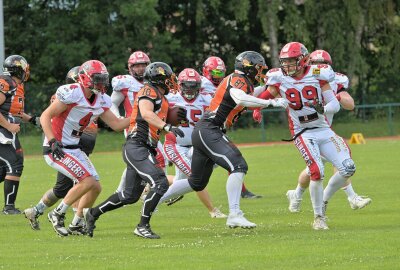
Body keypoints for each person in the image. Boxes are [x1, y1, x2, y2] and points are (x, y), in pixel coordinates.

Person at [157, 51, 287, 229]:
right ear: (247, 68)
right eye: (257, 68)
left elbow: (254, 94)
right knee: (238, 166)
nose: (259, 72)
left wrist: (274, 86)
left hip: (206, 130)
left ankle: (154, 199)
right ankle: (235, 214)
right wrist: (270, 103)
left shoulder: (245, 84)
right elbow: (240, 98)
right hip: (210, 129)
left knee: (196, 181)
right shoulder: (237, 79)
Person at [253, 42, 356, 230]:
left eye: (292, 61)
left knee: (348, 168)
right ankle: (319, 217)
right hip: (302, 130)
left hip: (323, 128)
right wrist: (259, 107)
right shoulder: (279, 77)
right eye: (285, 62)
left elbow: (334, 104)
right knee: (317, 171)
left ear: (303, 60)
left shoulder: (319, 74)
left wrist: (323, 108)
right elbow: (269, 93)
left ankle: (323, 199)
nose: (287, 66)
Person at [84, 62, 185, 239]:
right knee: (160, 182)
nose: (171, 81)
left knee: (129, 195)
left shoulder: (162, 97)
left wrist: (175, 118)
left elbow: (156, 115)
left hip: (145, 147)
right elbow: (146, 113)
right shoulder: (148, 91)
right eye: (169, 78)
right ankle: (142, 226)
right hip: (137, 145)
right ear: (160, 79)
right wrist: (167, 126)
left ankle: (92, 214)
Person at [41, 60, 130, 236]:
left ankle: (77, 222)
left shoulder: (101, 99)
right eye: (97, 79)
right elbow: (46, 116)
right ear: (84, 77)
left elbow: (117, 125)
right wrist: (52, 140)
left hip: (74, 147)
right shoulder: (72, 93)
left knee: (96, 187)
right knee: (87, 181)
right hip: (56, 147)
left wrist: (139, 115)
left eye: (103, 79)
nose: (101, 83)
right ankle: (57, 213)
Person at [282, 50, 371, 213]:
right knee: (320, 168)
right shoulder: (298, 78)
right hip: (307, 131)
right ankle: (350, 198)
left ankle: (297, 194)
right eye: (315, 64)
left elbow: (350, 104)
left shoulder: (334, 79)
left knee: (323, 167)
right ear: (307, 64)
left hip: (325, 129)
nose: (319, 67)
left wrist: (335, 98)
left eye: (323, 64)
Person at [23, 66, 99, 234]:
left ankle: (36, 211)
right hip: (64, 149)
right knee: (77, 184)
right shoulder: (66, 98)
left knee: (64, 187)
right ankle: (70, 218)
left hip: (77, 149)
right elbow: (49, 119)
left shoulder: (94, 99)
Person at [163, 68, 226, 218]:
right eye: (187, 85)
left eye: (193, 86)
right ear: (180, 85)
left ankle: (153, 187)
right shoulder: (170, 99)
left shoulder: (206, 99)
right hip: (176, 145)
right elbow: (158, 121)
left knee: (182, 180)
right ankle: (212, 210)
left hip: (196, 146)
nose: (190, 89)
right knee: (195, 177)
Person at [201, 56, 263, 199]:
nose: (219, 76)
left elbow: (245, 96)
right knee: (230, 160)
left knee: (230, 161)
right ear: (206, 71)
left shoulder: (227, 82)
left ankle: (241, 191)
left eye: (221, 73)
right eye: (215, 73)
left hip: (213, 127)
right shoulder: (202, 84)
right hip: (205, 127)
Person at [0, 55, 40, 214]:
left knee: (4, 169)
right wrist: (8, 125)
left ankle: (9, 206)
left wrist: (32, 120)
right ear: (17, 69)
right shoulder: (6, 81)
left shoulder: (17, 85)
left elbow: (15, 111)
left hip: (7, 129)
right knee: (14, 164)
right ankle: (9, 208)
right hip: (3, 129)